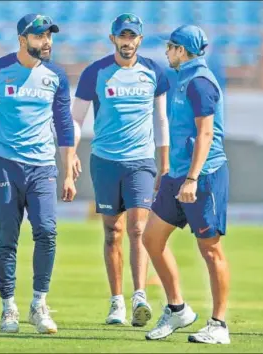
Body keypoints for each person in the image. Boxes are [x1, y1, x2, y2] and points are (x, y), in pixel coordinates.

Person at [0, 14, 77, 334]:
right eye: (40, 36)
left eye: (49, 36)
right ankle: (9, 307)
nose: (47, 41)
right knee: (6, 238)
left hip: (42, 166)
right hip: (4, 163)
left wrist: (68, 171)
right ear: (22, 39)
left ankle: (39, 304)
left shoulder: (56, 75)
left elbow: (64, 126)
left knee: (47, 231)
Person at [71, 13, 170, 327]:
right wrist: (70, 153)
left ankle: (139, 295)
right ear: (113, 38)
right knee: (112, 231)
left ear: (140, 39)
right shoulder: (95, 73)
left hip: (141, 161)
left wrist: (165, 162)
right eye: (122, 36)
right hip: (105, 161)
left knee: (138, 228)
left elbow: (161, 120)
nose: (128, 42)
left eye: (133, 36)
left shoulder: (155, 72)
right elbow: (76, 118)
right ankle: (116, 303)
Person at [143, 25, 231, 344]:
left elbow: (206, 134)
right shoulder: (180, 79)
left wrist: (193, 177)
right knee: (151, 239)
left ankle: (219, 325)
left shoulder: (200, 83)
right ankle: (178, 308)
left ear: (182, 51)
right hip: (177, 175)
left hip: (203, 175)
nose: (166, 51)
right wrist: (171, 173)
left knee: (210, 249)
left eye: (170, 47)